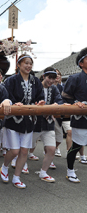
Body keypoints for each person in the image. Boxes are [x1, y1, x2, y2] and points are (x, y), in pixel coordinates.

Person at [0, 54, 44, 189]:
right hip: (14, 119)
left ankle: (17, 177)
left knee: (24, 151)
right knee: (14, 150)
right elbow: (6, 95)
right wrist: (13, 102)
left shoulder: (35, 81)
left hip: (29, 120)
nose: (29, 66)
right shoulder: (11, 80)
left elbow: (39, 95)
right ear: (18, 65)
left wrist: (41, 101)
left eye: (30, 63)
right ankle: (5, 166)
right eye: (26, 63)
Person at [29, 67, 63, 182]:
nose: (51, 81)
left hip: (49, 123)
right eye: (49, 77)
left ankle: (43, 172)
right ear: (44, 76)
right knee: (27, 147)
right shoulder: (35, 87)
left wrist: (55, 105)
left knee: (51, 149)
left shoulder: (54, 89)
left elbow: (60, 101)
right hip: (35, 123)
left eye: (53, 78)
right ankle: (21, 164)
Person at [63, 47, 87, 182]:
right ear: (81, 63)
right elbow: (65, 95)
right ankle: (70, 170)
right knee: (77, 145)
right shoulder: (75, 77)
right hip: (80, 116)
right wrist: (76, 103)